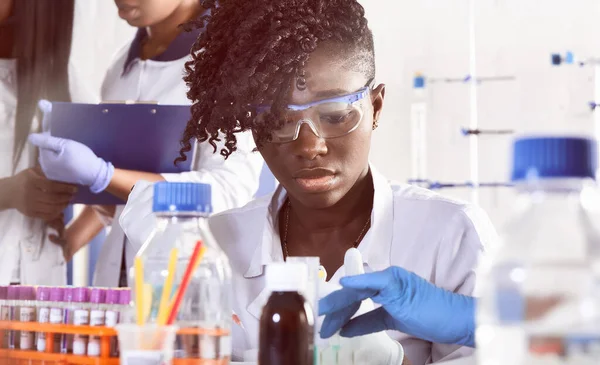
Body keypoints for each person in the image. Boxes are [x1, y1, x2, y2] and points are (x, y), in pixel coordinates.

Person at [118, 0, 497, 363]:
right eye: (279, 121)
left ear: (375, 107)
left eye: (334, 114)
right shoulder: (213, 247)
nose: (309, 145)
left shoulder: (451, 235)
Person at [28, 0, 264, 287]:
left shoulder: (231, 63)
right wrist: (71, 238)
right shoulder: (121, 66)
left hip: (189, 275)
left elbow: (229, 191)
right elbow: (123, 187)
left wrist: (104, 175)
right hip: (118, 274)